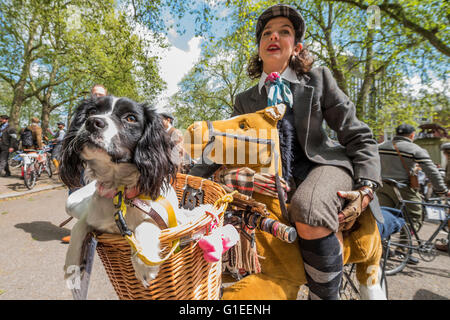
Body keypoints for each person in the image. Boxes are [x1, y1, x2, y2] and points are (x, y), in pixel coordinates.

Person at [193, 4, 383, 300]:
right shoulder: (245, 100)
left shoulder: (319, 79)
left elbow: (358, 134)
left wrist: (368, 186)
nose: (274, 36)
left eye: (285, 32)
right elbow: (220, 147)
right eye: (267, 33)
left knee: (307, 208)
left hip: (324, 166)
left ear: (296, 47)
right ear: (258, 49)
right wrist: (184, 187)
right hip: (276, 180)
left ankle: (325, 295)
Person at [377, 124, 449, 236]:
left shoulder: (380, 147)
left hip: (381, 187)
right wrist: (442, 190)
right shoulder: (415, 149)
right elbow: (432, 171)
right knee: (414, 216)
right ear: (412, 135)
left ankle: (383, 246)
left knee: (383, 216)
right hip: (403, 188)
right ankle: (403, 247)